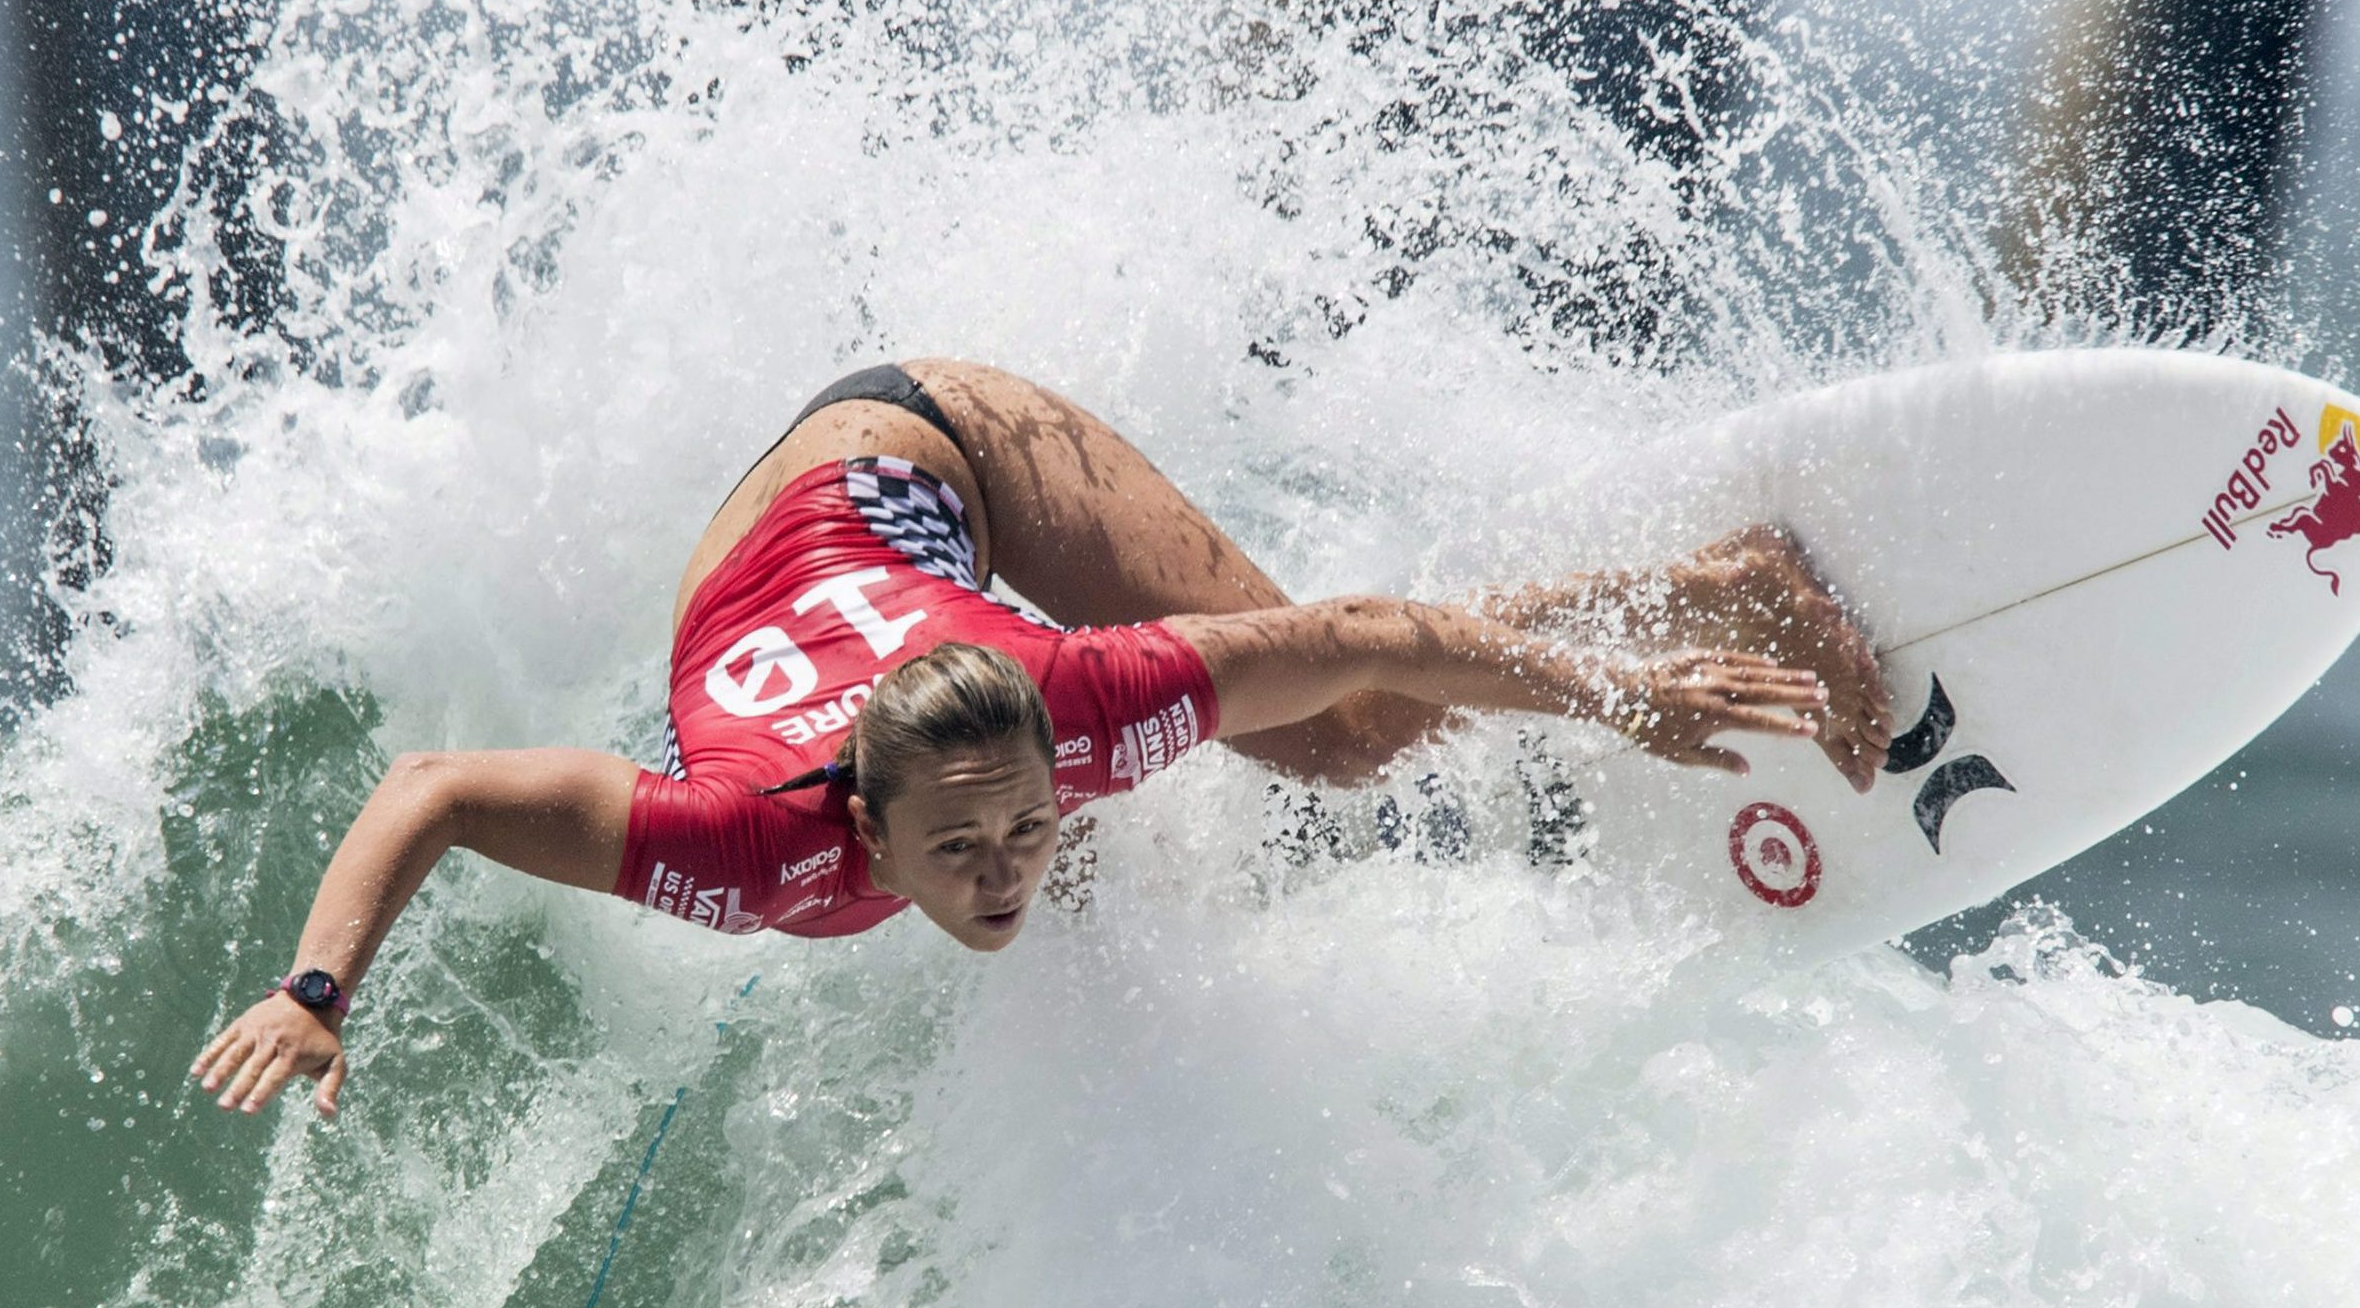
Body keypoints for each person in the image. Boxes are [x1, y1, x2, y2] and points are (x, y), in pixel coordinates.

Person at [193, 358, 1891, 1116]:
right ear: (859, 825)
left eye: (1021, 827)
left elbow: (1374, 635)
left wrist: (1617, 690)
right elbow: (427, 790)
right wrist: (315, 990)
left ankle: (1721, 587)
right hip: (803, 515)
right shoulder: (735, 839)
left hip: (950, 442)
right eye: (962, 848)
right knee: (1305, 751)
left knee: (1343, 736)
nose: (1002, 867)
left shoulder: (1088, 713)